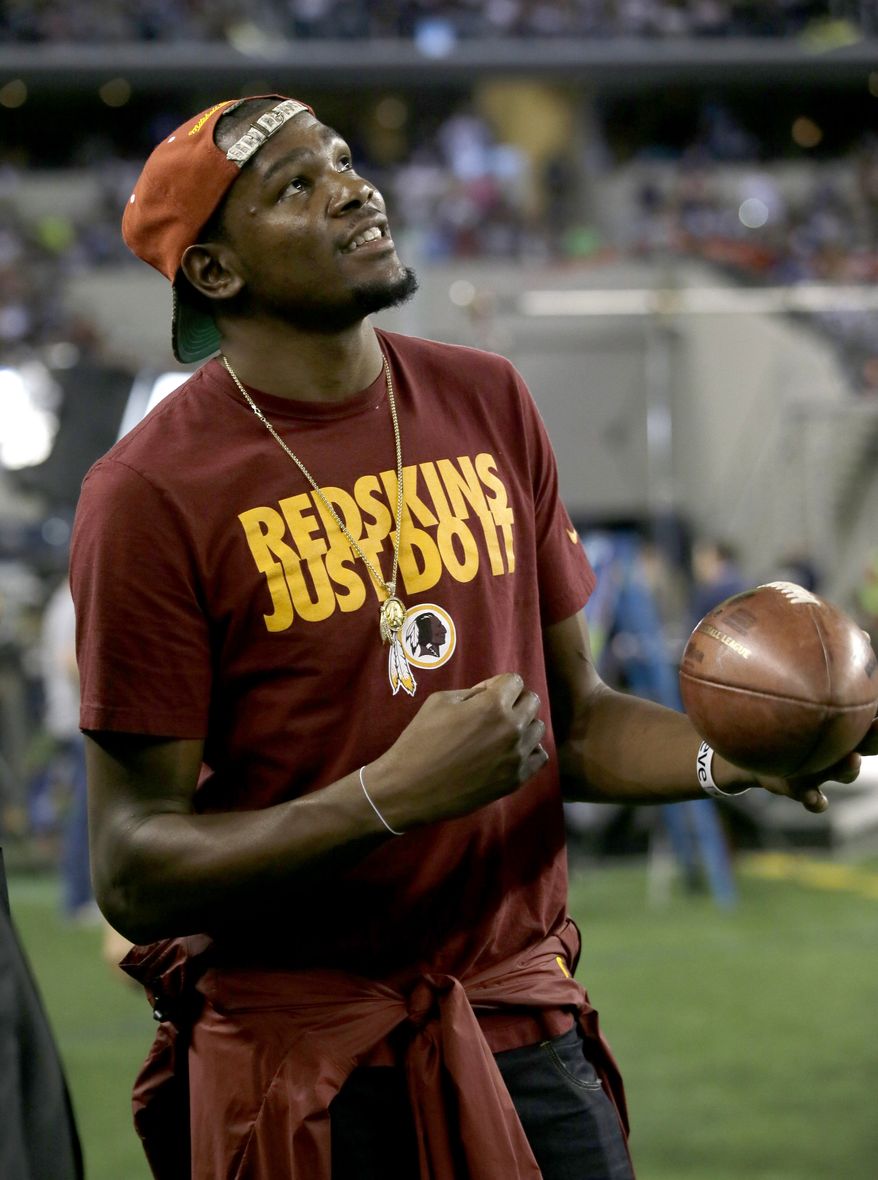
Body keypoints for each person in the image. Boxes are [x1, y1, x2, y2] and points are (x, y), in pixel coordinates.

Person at [69, 95, 877, 1180]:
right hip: (307, 1060)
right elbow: (131, 864)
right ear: (215, 272)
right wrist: (382, 796)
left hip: (518, 1027)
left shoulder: (486, 398)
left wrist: (722, 755)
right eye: (295, 187)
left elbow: (575, 724)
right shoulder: (150, 491)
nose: (352, 189)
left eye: (344, 162)